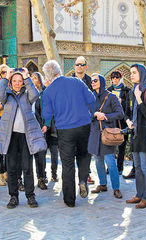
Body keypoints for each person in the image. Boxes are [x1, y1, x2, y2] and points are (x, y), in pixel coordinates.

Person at [42, 60, 96, 207]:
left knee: (67, 164)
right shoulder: (77, 82)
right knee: (84, 155)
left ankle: (70, 199)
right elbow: (91, 98)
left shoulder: (48, 91)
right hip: (84, 125)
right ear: (60, 70)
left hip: (65, 129)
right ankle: (83, 179)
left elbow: (47, 115)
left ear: (47, 76)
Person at [0, 67, 47, 209]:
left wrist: (27, 78)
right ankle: (13, 196)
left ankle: (30, 196)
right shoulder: (7, 95)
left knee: (27, 167)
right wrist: (5, 78)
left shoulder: (27, 95)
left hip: (25, 136)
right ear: (10, 82)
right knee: (12, 167)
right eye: (14, 81)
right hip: (11, 137)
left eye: (19, 81)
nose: (17, 83)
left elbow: (35, 95)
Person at [125, 64, 146, 209]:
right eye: (130, 73)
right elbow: (130, 112)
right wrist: (129, 121)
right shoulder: (133, 91)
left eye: (134, 73)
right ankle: (139, 194)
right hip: (136, 135)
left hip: (145, 135)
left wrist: (139, 99)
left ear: (142, 74)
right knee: (137, 167)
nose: (131, 75)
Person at [89, 73, 124, 199]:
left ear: (102, 82)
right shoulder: (90, 97)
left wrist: (106, 116)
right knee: (98, 161)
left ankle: (116, 188)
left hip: (107, 134)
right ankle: (103, 184)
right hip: (94, 134)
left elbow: (120, 113)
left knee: (110, 162)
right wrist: (94, 115)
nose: (93, 82)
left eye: (95, 80)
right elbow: (85, 114)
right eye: (92, 81)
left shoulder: (111, 97)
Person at [72, 56, 94, 184]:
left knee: (86, 149)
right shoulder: (69, 81)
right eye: (77, 64)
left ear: (86, 66)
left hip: (86, 120)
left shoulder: (90, 81)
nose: (79, 67)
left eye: (82, 64)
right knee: (73, 149)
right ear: (74, 66)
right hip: (71, 120)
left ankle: (86, 173)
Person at [107, 71, 132, 176]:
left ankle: (120, 167)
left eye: (117, 77)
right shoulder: (108, 91)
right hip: (111, 121)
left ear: (121, 78)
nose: (115, 79)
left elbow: (129, 107)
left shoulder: (127, 91)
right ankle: (111, 167)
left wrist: (121, 102)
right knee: (110, 145)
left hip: (122, 121)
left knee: (122, 144)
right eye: (113, 78)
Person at [41, 75, 60, 183]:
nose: (47, 81)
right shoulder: (41, 94)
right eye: (46, 79)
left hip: (54, 130)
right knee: (42, 154)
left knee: (54, 153)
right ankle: (43, 175)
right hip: (43, 128)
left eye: (49, 80)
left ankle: (54, 173)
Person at [32, 72, 48, 190]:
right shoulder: (26, 92)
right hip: (27, 127)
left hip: (39, 126)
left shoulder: (43, 93)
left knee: (40, 154)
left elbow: (46, 110)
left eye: (35, 78)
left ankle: (41, 178)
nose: (33, 80)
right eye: (31, 78)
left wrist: (45, 124)